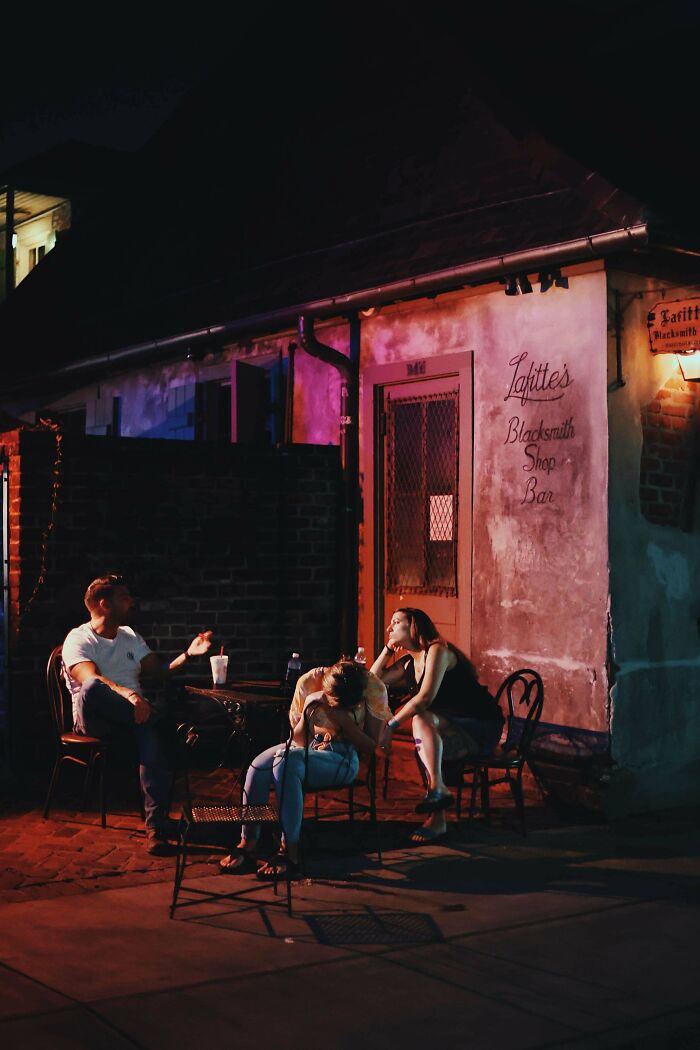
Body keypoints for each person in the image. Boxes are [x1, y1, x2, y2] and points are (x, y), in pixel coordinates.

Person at [61, 574, 213, 855]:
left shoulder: (129, 636)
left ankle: (156, 829)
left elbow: (160, 671)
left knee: (149, 734)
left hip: (135, 719)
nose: (131, 602)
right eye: (125, 597)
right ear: (104, 604)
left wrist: (189, 655)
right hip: (96, 719)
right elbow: (89, 680)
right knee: (94, 687)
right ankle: (159, 722)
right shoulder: (78, 638)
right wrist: (131, 696)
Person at [220, 658, 383, 878]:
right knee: (257, 767)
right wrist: (308, 710)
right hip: (307, 748)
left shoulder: (369, 694)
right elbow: (299, 741)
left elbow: (372, 745)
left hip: (341, 758)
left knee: (286, 763)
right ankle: (248, 842)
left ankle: (290, 851)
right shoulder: (315, 691)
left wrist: (343, 721)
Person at [371, 607, 503, 845]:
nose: (389, 628)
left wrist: (390, 726)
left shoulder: (437, 650)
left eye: (396, 622)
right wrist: (387, 650)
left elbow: (425, 698)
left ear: (413, 626)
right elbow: (371, 684)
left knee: (425, 732)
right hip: (451, 724)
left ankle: (437, 811)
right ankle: (438, 793)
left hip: (479, 726)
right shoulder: (409, 664)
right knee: (424, 728)